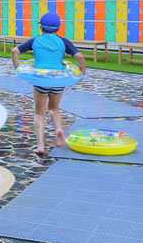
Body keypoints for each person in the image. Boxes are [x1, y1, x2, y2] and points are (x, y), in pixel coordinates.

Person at [11, 12, 87, 154]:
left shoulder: (35, 40)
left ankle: (40, 146)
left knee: (39, 113)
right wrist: (83, 72)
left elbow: (15, 51)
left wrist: (17, 69)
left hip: (40, 80)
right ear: (58, 28)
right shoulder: (63, 42)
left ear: (41, 27)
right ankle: (58, 129)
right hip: (58, 80)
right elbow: (80, 56)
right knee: (54, 108)